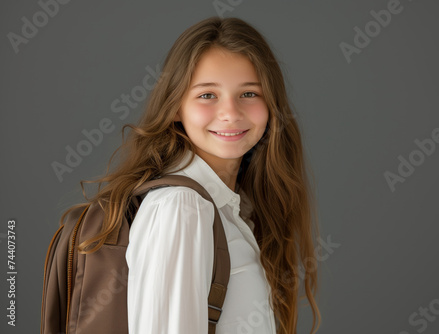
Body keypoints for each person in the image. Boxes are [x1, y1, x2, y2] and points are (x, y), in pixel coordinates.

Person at [75, 16, 322, 333]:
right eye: (207, 94)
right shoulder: (182, 208)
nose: (230, 113)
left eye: (249, 93)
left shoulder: (231, 207)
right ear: (176, 107)